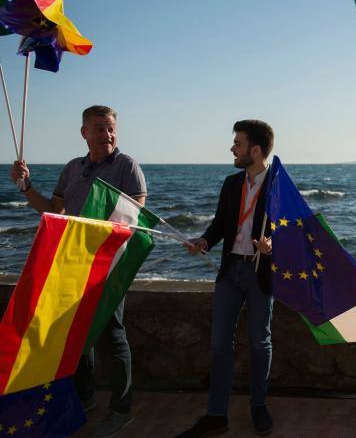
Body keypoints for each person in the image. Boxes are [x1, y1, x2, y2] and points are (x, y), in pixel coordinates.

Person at [10, 105, 146, 437]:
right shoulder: (73, 168)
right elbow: (53, 211)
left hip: (107, 265)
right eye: (99, 128)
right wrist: (26, 187)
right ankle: (84, 398)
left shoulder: (127, 166)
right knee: (77, 333)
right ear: (84, 132)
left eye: (111, 127)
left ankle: (121, 409)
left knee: (112, 336)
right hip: (71, 263)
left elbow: (137, 212)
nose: (107, 133)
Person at [178, 120, 275, 437]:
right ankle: (216, 415)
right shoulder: (231, 184)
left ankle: (259, 406)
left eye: (238, 143)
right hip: (230, 270)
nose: (232, 148)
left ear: (255, 150)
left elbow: (292, 231)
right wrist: (204, 242)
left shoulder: (279, 184)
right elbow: (220, 224)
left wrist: (272, 244)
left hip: (261, 273)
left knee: (260, 343)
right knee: (220, 344)